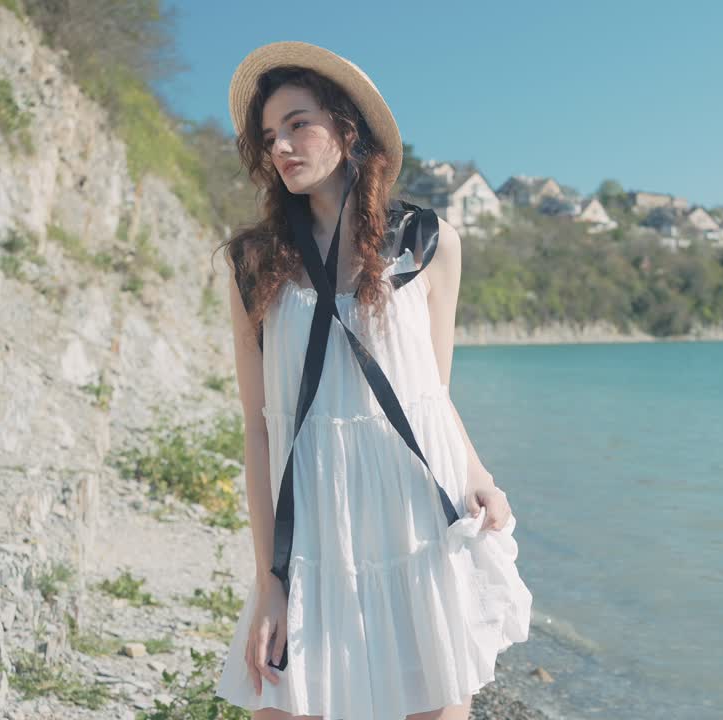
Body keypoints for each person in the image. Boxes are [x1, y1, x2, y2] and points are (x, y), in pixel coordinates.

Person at [211, 42, 532, 720]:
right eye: (270, 136)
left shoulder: (430, 243)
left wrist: (479, 475)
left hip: (414, 507)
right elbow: (258, 426)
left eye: (298, 123)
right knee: (283, 702)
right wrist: (270, 578)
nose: (283, 146)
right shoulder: (255, 262)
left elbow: (431, 397)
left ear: (346, 127)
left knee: (436, 702)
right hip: (317, 514)